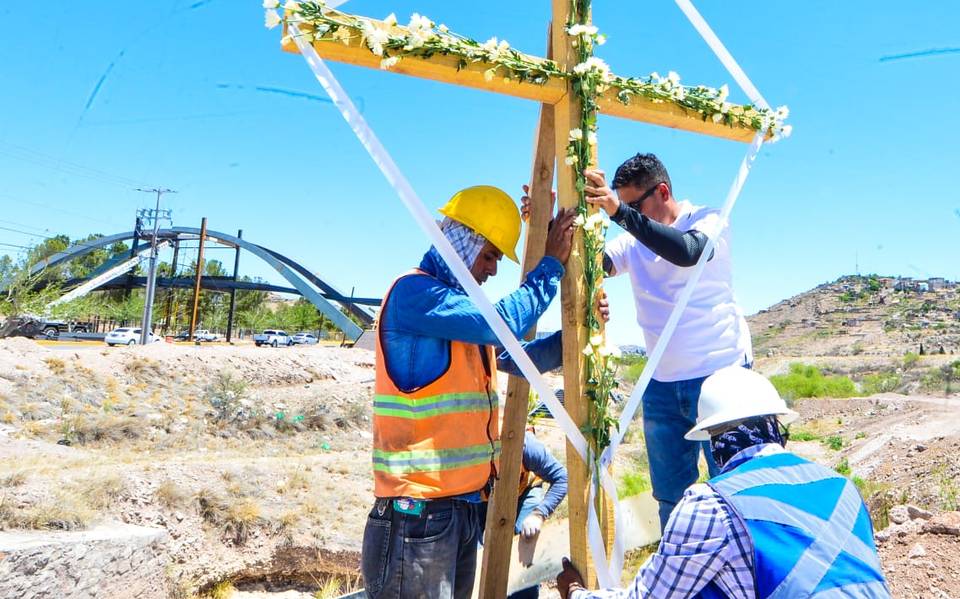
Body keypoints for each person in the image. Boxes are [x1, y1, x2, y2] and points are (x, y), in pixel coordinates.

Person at [361, 185, 579, 599]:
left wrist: (581, 327)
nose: (493, 270)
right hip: (419, 515)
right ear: (465, 241)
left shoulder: (456, 317)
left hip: (457, 512)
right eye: (491, 254)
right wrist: (550, 265)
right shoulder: (415, 294)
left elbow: (522, 356)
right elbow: (500, 324)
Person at [556, 366, 891, 599]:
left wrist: (575, 593)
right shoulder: (844, 489)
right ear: (777, 427)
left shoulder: (710, 505)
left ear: (714, 443)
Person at [581, 153, 754, 530]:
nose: (628, 215)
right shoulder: (634, 242)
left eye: (634, 205)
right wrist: (544, 223)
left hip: (722, 379)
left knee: (739, 492)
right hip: (661, 387)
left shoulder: (709, 220)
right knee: (672, 501)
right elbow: (587, 264)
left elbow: (688, 252)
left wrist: (620, 214)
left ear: (662, 191)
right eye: (624, 207)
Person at [476, 428, 569, 599]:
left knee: (526, 536)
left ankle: (523, 593)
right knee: (472, 547)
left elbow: (562, 477)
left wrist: (539, 514)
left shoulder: (526, 445)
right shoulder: (468, 445)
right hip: (481, 497)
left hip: (524, 491)